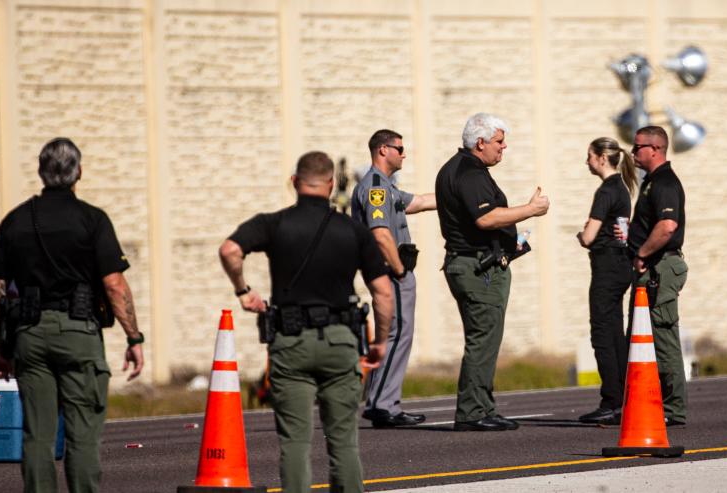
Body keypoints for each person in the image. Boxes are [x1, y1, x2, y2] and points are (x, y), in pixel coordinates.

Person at [219, 151, 394, 493]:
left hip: (291, 342)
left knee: (295, 443)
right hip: (340, 342)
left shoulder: (273, 223)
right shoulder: (354, 231)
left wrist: (243, 291)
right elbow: (383, 293)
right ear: (331, 185)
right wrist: (380, 342)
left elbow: (229, 250)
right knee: (343, 442)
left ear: (295, 183)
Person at [0, 137, 145, 493]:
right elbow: (115, 285)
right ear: (79, 173)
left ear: (41, 172)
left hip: (30, 334)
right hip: (78, 334)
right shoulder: (93, 220)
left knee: (38, 435)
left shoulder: (15, 221)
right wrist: (134, 337)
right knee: (82, 434)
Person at [435, 113, 550, 431]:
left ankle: (481, 407)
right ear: (480, 142)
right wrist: (531, 210)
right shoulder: (469, 172)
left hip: (473, 264)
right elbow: (485, 219)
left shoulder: (461, 169)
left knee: (483, 338)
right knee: (482, 339)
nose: (504, 147)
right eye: (499, 142)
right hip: (477, 268)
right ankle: (473, 411)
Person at [351, 129, 436, 428]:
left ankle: (381, 402)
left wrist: (457, 194)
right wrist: (399, 269)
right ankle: (383, 405)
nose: (404, 153)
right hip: (391, 272)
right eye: (400, 148)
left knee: (394, 335)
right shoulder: (376, 188)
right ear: (383, 150)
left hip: (389, 271)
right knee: (398, 335)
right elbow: (380, 234)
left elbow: (420, 202)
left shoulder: (385, 187)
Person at [622, 125, 689, 426]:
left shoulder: (664, 183)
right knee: (644, 337)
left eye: (637, 147)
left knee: (662, 338)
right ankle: (652, 403)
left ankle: (673, 410)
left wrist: (642, 254)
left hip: (660, 267)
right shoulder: (652, 182)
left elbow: (667, 227)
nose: (633, 152)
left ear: (655, 149)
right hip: (653, 268)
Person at [575, 137, 638, 425]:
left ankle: (611, 402)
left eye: (589, 155)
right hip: (620, 266)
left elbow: (589, 236)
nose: (587, 161)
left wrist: (581, 236)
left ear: (602, 157)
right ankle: (622, 400)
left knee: (602, 333)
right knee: (615, 334)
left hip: (606, 268)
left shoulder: (605, 191)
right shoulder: (622, 189)